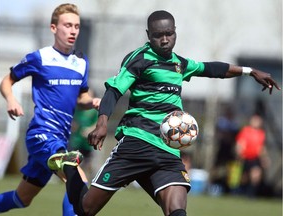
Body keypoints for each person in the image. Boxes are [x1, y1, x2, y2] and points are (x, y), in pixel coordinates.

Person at [48, 10, 281, 216]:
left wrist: (249, 71)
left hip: (168, 150)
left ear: (175, 32)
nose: (165, 39)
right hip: (136, 144)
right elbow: (113, 92)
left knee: (177, 211)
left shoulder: (179, 64)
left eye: (169, 33)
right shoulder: (139, 60)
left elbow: (211, 69)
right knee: (85, 209)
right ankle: (69, 164)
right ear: (148, 35)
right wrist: (102, 124)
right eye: (159, 35)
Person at [0, 3, 100, 215]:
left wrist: (91, 101)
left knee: (22, 198)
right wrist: (11, 100)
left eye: (76, 26)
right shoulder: (39, 58)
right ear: (54, 28)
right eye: (67, 25)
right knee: (77, 179)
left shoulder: (81, 62)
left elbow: (81, 96)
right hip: (41, 135)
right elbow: (7, 81)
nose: (73, 31)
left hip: (60, 140)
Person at [235, 114, 270, 197]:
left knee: (256, 174)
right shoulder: (245, 131)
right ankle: (240, 191)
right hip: (245, 157)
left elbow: (261, 148)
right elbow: (240, 144)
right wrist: (239, 154)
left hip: (255, 158)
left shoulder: (261, 134)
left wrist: (265, 159)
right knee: (244, 177)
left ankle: (251, 194)